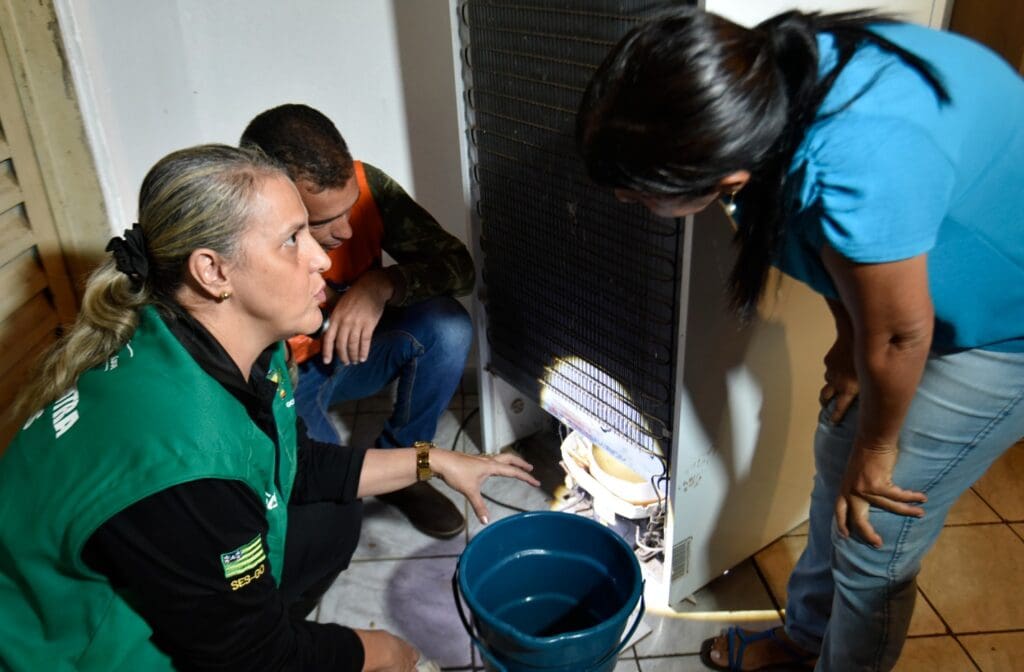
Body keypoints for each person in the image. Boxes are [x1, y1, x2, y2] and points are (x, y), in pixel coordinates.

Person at [577, 7, 1024, 672]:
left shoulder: (864, 152)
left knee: (873, 534)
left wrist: (878, 447)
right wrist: (849, 344)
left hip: (1003, 328)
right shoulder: (768, 84)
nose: (628, 203)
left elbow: (901, 333)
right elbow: (835, 254)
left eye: (642, 197)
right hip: (915, 305)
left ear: (727, 177)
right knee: (836, 470)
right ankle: (805, 642)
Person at [0, 144, 538, 672]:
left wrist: (433, 459)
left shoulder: (231, 347)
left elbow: (298, 465)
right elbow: (254, 656)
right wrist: (382, 651)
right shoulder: (184, 462)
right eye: (292, 239)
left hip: (177, 548)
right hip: (75, 652)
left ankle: (252, 611)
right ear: (213, 272)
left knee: (333, 515)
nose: (321, 258)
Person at [240, 104, 475, 540]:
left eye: (349, 210)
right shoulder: (232, 224)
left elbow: (460, 268)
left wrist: (381, 283)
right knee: (332, 493)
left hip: (356, 353)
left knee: (448, 327)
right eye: (321, 222)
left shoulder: (367, 185)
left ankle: (406, 471)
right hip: (286, 380)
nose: (346, 231)